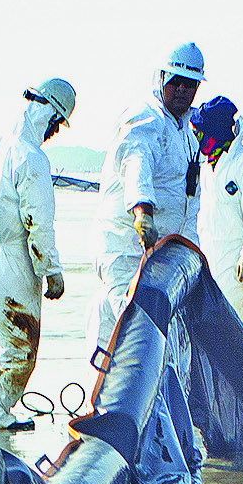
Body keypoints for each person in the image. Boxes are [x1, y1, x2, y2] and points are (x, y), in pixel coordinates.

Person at [0, 77, 75, 432]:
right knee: (19, 349)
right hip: (10, 259)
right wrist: (51, 269)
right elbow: (37, 220)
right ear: (50, 114)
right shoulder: (30, 156)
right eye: (56, 124)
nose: (54, 133)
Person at [88, 42, 206, 351]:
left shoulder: (186, 133)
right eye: (175, 81)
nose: (181, 89)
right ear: (161, 79)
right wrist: (142, 211)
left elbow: (188, 204)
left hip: (161, 255)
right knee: (139, 341)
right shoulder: (145, 118)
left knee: (164, 343)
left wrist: (191, 256)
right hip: (127, 249)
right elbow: (135, 160)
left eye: (189, 84)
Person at [191, 95, 243, 326]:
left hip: (240, 267)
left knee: (241, 325)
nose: (196, 136)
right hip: (212, 263)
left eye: (201, 131)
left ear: (214, 133)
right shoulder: (206, 169)